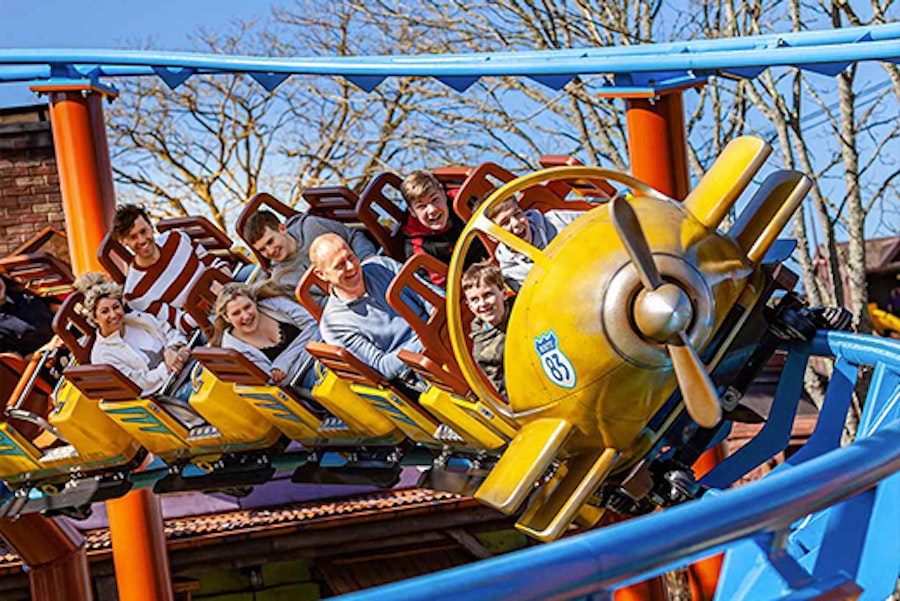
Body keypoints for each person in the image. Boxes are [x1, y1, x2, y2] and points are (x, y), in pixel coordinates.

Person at [76, 273, 202, 427]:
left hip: (189, 365)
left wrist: (174, 348)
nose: (113, 315)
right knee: (210, 385)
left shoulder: (139, 319)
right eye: (104, 311)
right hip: (169, 393)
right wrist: (169, 367)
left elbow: (171, 333)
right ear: (94, 318)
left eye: (116, 307)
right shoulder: (102, 356)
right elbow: (139, 384)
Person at [309, 233, 430, 393]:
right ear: (322, 274)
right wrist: (428, 338)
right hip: (417, 366)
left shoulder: (381, 266)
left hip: (440, 329)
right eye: (340, 266)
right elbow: (382, 367)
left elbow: (429, 295)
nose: (351, 267)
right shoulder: (334, 325)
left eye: (351, 257)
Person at [113, 204, 229, 335]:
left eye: (144, 231)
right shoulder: (135, 294)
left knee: (254, 272)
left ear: (151, 227)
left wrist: (223, 278)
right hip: (205, 320)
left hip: (226, 288)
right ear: (123, 242)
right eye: (133, 237)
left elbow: (212, 261)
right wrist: (209, 300)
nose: (142, 240)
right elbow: (180, 323)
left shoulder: (176, 238)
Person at [211, 281, 320, 391]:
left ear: (254, 301)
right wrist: (307, 345)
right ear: (226, 317)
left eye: (247, 307)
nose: (246, 316)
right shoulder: (234, 349)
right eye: (236, 313)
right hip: (302, 382)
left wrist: (283, 363)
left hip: (322, 352)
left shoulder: (275, 305)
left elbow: (316, 326)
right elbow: (279, 381)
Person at [242, 208, 376, 294]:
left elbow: (352, 236)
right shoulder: (281, 278)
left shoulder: (311, 227)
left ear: (282, 229)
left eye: (270, 242)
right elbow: (316, 302)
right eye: (262, 250)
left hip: (365, 272)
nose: (270, 251)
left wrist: (366, 259)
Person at [399, 169, 486, 286]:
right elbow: (442, 285)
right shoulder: (417, 247)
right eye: (421, 206)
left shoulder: (465, 200)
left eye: (435, 199)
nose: (432, 210)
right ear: (412, 211)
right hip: (475, 286)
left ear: (443, 193)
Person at [488, 196, 584, 292]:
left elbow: (595, 220)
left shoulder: (556, 220)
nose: (516, 222)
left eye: (517, 214)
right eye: (505, 222)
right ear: (492, 236)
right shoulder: (511, 272)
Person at [462, 261, 513, 398]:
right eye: (475, 300)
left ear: (503, 293)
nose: (483, 304)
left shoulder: (520, 307)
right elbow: (503, 391)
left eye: (488, 295)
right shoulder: (483, 351)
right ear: (470, 306)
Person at [0, 275, 55, 358]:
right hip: (55, 361)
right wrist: (48, 348)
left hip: (71, 336)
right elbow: (20, 365)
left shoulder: (20, 290)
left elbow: (56, 308)